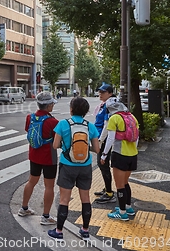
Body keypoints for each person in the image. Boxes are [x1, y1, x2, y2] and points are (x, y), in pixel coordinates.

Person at [48, 97, 100, 240]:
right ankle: (85, 230)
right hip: (85, 166)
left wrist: (68, 147)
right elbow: (97, 149)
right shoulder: (90, 126)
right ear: (86, 111)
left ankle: (58, 232)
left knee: (64, 199)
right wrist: (84, 148)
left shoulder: (63, 124)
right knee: (85, 198)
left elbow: (54, 145)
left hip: (67, 165)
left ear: (71, 109)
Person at [18, 92, 59, 225]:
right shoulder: (53, 122)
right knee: (49, 186)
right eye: (52, 103)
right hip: (49, 157)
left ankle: (24, 208)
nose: (53, 105)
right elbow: (58, 141)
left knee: (31, 181)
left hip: (34, 154)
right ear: (48, 106)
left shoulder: (30, 117)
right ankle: (46, 216)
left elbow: (28, 131)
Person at [101, 98, 139, 221]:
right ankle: (128, 207)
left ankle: (122, 213)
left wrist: (104, 155)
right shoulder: (132, 117)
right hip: (133, 155)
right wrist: (133, 149)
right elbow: (137, 138)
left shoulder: (114, 118)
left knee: (119, 185)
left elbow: (110, 139)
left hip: (119, 154)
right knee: (126, 182)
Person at [94, 83, 117, 203]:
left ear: (110, 93)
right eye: (100, 92)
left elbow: (106, 126)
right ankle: (107, 189)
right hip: (101, 139)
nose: (100, 94)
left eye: (103, 92)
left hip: (104, 140)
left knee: (103, 164)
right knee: (102, 165)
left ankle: (109, 193)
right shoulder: (104, 104)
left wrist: (100, 141)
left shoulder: (109, 105)